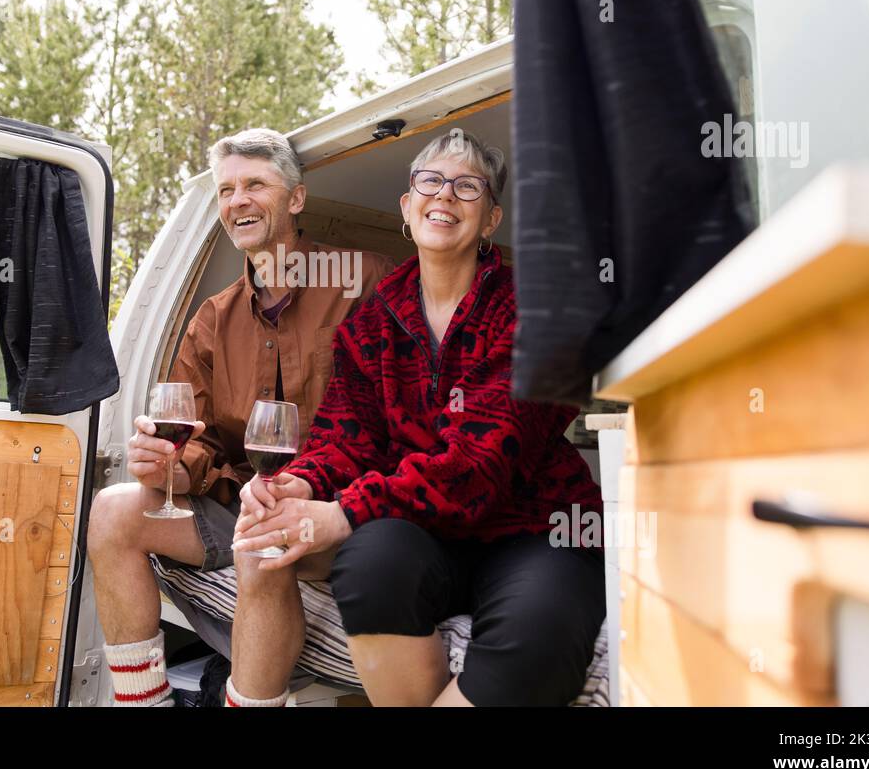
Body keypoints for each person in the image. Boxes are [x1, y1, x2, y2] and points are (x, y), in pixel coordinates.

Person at [231, 128, 606, 707]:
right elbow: (345, 439)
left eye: (467, 187)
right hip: (433, 535)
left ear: (490, 220)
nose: (445, 196)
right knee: (370, 562)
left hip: (537, 531)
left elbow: (481, 463)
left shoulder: (531, 311)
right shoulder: (373, 322)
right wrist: (298, 482)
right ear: (407, 206)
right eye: (430, 181)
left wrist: (344, 510)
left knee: (542, 633)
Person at [85, 127, 392, 706]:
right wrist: (164, 466)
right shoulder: (213, 319)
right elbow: (196, 449)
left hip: (340, 511)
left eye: (255, 184)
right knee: (112, 509)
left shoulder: (365, 280)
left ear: (295, 199)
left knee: (263, 538)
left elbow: (407, 412)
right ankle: (142, 703)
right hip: (242, 504)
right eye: (226, 190)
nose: (237, 200)